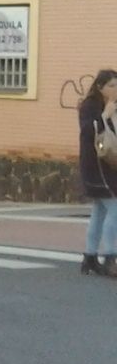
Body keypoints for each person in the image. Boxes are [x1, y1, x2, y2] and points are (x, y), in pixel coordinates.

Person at [78, 69, 117, 275]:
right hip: (96, 166)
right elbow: (88, 131)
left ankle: (90, 257)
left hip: (111, 165)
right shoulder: (90, 106)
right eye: (111, 85)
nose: (115, 90)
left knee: (100, 212)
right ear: (100, 87)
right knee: (114, 208)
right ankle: (111, 258)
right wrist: (105, 116)